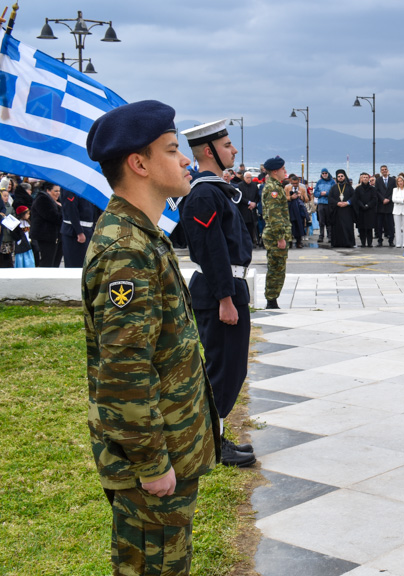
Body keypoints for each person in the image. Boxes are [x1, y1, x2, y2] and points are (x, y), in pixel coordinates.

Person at [82, 100, 220, 576]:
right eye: (172, 150)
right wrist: (152, 462)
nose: (186, 160)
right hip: (153, 464)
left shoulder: (142, 235)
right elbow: (124, 372)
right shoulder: (127, 251)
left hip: (169, 451)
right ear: (139, 164)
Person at [179, 119, 256, 467]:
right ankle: (210, 442)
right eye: (227, 145)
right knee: (222, 369)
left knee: (231, 367)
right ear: (209, 151)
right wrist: (225, 298)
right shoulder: (204, 193)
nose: (234, 149)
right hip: (218, 292)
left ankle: (215, 435)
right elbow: (210, 250)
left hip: (228, 288)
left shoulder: (213, 189)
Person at [261, 157, 291, 309]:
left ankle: (272, 299)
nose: (285, 171)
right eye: (283, 169)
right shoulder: (273, 189)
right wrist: (280, 237)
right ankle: (271, 301)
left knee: (278, 268)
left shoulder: (275, 186)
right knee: (276, 269)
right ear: (275, 171)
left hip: (276, 234)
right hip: (275, 235)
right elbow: (274, 215)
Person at [60, 188, 100, 267]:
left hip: (88, 230)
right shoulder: (69, 188)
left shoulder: (84, 188)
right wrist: (79, 232)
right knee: (75, 264)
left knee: (86, 264)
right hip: (74, 232)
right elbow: (71, 209)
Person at [31, 181, 63, 267]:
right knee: (47, 261)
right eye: (55, 191)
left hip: (56, 236)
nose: (58, 193)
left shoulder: (56, 201)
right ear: (48, 190)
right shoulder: (42, 199)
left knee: (56, 261)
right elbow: (53, 217)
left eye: (59, 191)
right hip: (46, 236)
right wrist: (61, 209)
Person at [330, 169, 356, 247]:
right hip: (337, 210)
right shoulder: (333, 187)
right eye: (338, 176)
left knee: (347, 227)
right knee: (337, 227)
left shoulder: (349, 187)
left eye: (342, 176)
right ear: (337, 178)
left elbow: (354, 197)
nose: (340, 178)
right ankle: (337, 243)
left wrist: (347, 203)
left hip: (347, 210)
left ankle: (348, 243)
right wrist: (337, 203)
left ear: (344, 177)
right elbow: (330, 198)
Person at [235, 171, 260, 248]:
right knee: (244, 227)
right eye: (247, 178)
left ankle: (252, 242)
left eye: (250, 178)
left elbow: (257, 196)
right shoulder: (240, 186)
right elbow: (240, 197)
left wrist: (254, 203)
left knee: (252, 227)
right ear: (244, 178)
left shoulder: (254, 186)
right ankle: (244, 243)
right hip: (244, 209)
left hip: (252, 210)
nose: (249, 179)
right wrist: (249, 203)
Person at [353, 172, 378, 247]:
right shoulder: (358, 189)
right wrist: (362, 205)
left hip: (369, 210)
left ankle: (369, 243)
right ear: (361, 178)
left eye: (367, 177)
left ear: (369, 179)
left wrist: (368, 205)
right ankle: (363, 243)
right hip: (361, 210)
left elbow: (374, 199)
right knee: (361, 228)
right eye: (364, 177)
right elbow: (356, 199)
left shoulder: (372, 189)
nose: (365, 178)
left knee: (369, 228)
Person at [374, 165, 396, 247]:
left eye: (385, 169)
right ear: (380, 171)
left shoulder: (392, 180)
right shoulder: (378, 180)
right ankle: (380, 240)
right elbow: (377, 191)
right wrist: (383, 199)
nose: (384, 171)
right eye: (382, 170)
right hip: (381, 205)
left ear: (388, 170)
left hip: (390, 205)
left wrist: (389, 199)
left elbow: (394, 190)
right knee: (379, 225)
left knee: (390, 224)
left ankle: (391, 241)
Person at [284, 175, 307, 249]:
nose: (295, 185)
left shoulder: (302, 189)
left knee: (299, 224)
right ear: (291, 182)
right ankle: (289, 242)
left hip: (299, 209)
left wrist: (300, 196)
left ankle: (299, 241)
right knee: (290, 225)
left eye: (296, 183)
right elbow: (283, 198)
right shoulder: (287, 188)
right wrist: (291, 197)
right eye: (293, 183)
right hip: (290, 208)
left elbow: (306, 199)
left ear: (298, 182)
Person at [313, 168, 334, 243]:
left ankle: (330, 236)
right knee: (321, 221)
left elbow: (333, 191)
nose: (324, 174)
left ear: (328, 173)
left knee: (329, 221)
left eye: (325, 173)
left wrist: (326, 193)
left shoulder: (332, 181)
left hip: (328, 203)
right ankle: (321, 236)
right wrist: (320, 194)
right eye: (323, 173)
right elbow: (315, 193)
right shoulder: (319, 182)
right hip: (321, 204)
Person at [391, 173, 404, 248]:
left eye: (401, 181)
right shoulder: (395, 190)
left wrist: (400, 200)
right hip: (397, 210)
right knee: (397, 227)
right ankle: (398, 243)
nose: (400, 182)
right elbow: (394, 199)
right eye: (399, 181)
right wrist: (403, 200)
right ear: (397, 182)